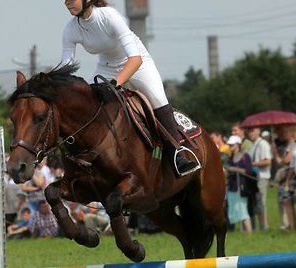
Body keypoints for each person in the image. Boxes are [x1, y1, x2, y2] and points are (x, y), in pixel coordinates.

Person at [60, 0, 199, 176]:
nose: (66, 3)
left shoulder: (110, 16)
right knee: (88, 106)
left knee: (157, 99)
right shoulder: (70, 29)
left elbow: (135, 59)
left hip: (138, 63)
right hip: (106, 67)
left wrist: (115, 84)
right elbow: (65, 70)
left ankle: (177, 154)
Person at [225, 135, 253, 234]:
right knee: (234, 209)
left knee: (243, 210)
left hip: (241, 187)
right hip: (232, 187)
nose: (230, 146)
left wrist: (234, 169)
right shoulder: (230, 157)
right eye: (230, 145)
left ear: (238, 145)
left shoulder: (245, 156)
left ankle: (249, 233)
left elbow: (248, 171)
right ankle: (242, 231)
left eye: (232, 145)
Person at [247, 127, 272, 231]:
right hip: (254, 177)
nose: (250, 133)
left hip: (261, 176)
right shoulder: (254, 144)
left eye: (252, 130)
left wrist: (252, 164)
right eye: (249, 131)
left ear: (258, 131)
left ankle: (264, 227)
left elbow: (267, 161)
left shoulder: (263, 144)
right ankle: (259, 227)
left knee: (261, 202)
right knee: (256, 203)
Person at [272, 125, 296, 231]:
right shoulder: (285, 145)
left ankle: (293, 226)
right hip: (284, 178)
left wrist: (276, 154)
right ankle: (287, 225)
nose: (283, 135)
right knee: (284, 201)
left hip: (291, 177)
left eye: (285, 132)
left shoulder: (294, 145)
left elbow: (285, 160)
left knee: (289, 201)